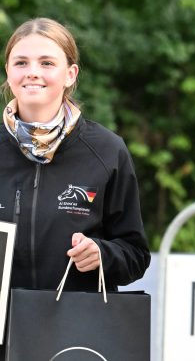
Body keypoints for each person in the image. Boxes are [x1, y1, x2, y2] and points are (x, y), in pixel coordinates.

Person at [0, 18, 150, 294]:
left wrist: (102, 254)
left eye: (46, 63)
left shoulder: (107, 150)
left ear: (70, 74)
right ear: (8, 71)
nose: (32, 72)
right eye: (21, 63)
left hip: (73, 331)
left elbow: (136, 256)